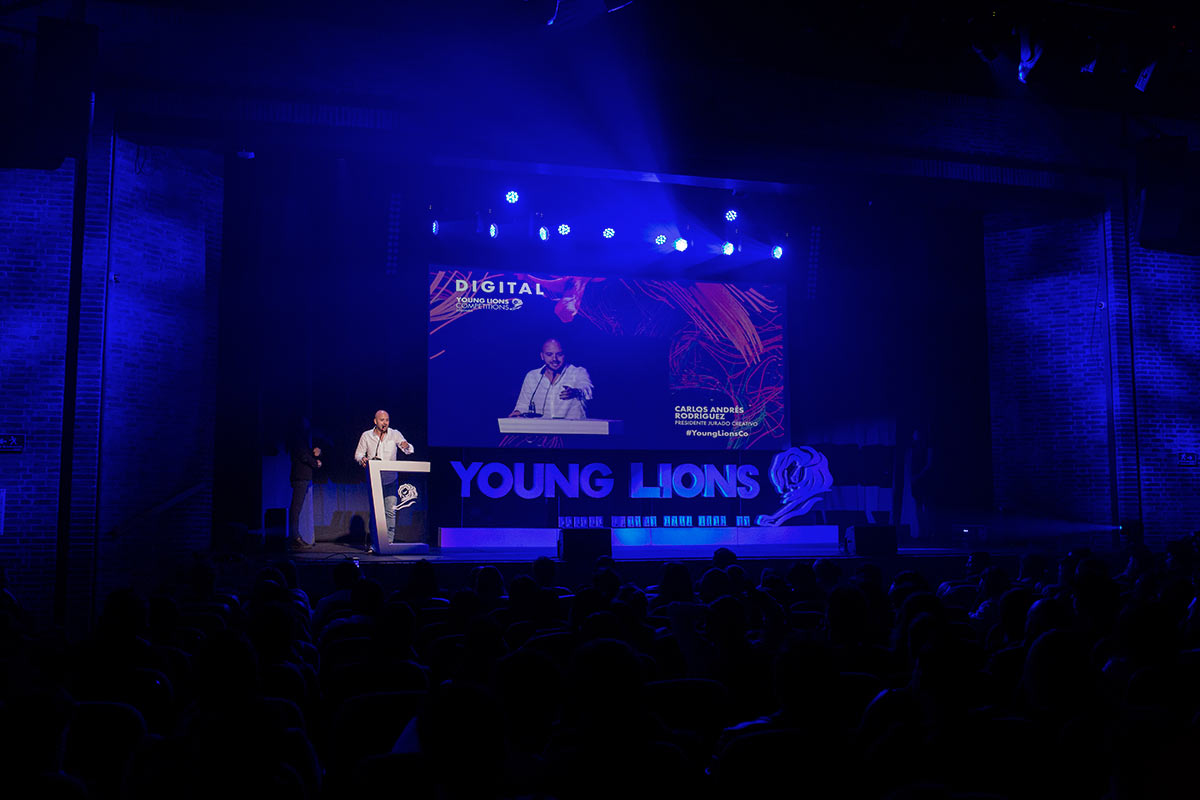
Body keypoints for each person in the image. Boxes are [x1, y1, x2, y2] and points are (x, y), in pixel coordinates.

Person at [354, 410, 415, 552]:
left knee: (390, 512)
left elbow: (409, 449)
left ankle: (389, 544)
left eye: (387, 420)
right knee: (376, 514)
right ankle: (375, 544)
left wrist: (406, 446)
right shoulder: (366, 436)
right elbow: (358, 454)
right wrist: (362, 459)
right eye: (382, 420)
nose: (385, 423)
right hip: (374, 480)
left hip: (391, 480)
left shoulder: (395, 434)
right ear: (375, 421)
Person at [508, 338, 594, 419]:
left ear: (565, 355)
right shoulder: (532, 376)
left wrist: (576, 392)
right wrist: (517, 412)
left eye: (559, 354)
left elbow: (587, 389)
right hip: (541, 429)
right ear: (542, 356)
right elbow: (523, 405)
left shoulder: (578, 372)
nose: (554, 359)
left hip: (573, 428)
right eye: (549, 354)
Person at [288, 418, 321, 549]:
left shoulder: (302, 438)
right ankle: (294, 537)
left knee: (297, 508)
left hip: (303, 476)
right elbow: (303, 456)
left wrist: (315, 452)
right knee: (296, 508)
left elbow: (305, 453)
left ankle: (295, 536)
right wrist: (315, 463)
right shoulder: (297, 437)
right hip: (300, 476)